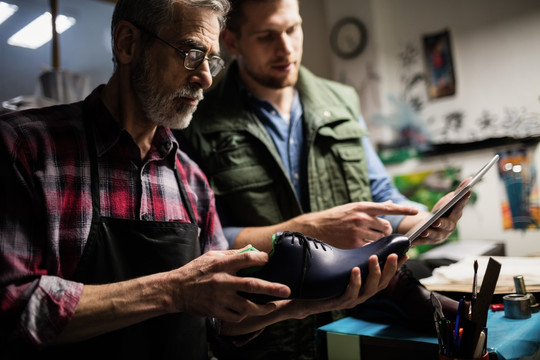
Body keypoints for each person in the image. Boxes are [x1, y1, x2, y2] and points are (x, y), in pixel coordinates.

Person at [0, 0, 405, 358]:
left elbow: (215, 324)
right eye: (191, 53)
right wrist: (172, 290)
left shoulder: (190, 181)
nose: (206, 78)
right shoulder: (25, 148)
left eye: (211, 61)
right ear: (127, 43)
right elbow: (11, 308)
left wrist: (304, 305)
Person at [176, 0, 470, 358]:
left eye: (292, 29)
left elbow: (381, 195)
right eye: (267, 36)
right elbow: (206, 244)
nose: (285, 48)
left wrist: (425, 221)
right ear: (232, 42)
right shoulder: (197, 122)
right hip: (268, 330)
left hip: (354, 319)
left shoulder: (341, 101)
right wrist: (305, 230)